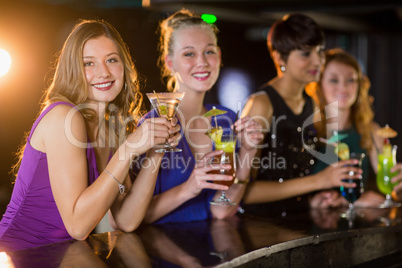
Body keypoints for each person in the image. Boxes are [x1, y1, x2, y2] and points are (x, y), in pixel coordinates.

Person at [0, 19, 180, 252]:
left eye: (111, 60)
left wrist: (156, 150)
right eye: (88, 63)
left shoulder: (112, 128)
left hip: (62, 256)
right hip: (16, 255)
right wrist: (128, 150)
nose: (103, 72)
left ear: (124, 66)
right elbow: (78, 226)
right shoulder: (64, 117)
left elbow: (126, 220)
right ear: (72, 70)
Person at [128, 9, 263, 225]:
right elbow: (135, 219)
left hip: (213, 252)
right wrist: (189, 188)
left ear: (218, 56)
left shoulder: (226, 119)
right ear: (170, 63)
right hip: (160, 250)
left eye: (209, 52)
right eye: (189, 54)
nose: (202, 62)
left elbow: (221, 210)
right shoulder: (154, 124)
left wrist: (249, 149)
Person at [240, 13, 360, 215]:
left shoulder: (310, 103)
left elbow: (296, 180)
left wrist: (316, 197)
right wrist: (319, 181)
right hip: (260, 227)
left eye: (320, 51)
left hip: (297, 221)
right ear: (279, 57)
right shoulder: (261, 103)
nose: (317, 61)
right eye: (305, 53)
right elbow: (243, 192)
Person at [307, 48, 399, 208]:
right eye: (334, 80)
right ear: (319, 84)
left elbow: (390, 184)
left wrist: (399, 187)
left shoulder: (370, 130)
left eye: (351, 80)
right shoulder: (307, 130)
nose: (343, 87)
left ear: (359, 85)